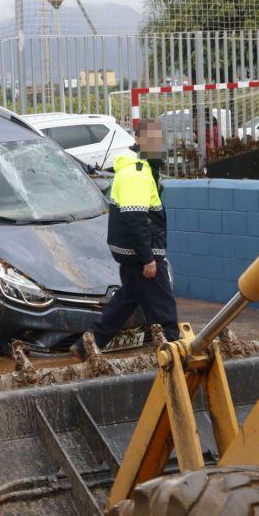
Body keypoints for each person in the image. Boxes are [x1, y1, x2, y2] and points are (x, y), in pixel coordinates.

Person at [72, 119, 179, 359]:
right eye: (153, 140)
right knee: (164, 309)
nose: (159, 145)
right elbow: (134, 219)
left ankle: (87, 345)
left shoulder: (138, 169)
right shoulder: (136, 173)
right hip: (141, 255)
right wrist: (148, 258)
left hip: (133, 254)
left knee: (124, 303)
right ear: (139, 141)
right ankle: (174, 353)